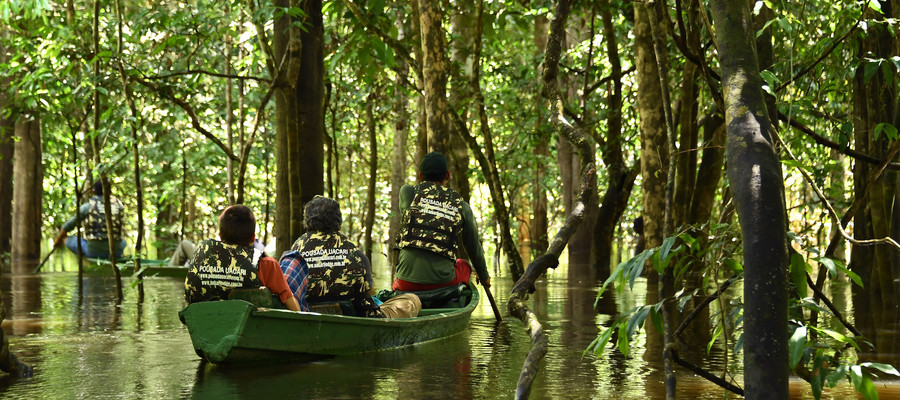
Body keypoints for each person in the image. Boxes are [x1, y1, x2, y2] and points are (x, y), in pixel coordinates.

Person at [281, 196, 420, 318]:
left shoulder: (292, 254)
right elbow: (369, 292)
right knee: (412, 299)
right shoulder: (356, 254)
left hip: (308, 320)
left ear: (307, 222)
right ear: (338, 222)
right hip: (359, 318)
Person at [392, 151, 491, 293]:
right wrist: (484, 276)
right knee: (464, 265)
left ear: (420, 176)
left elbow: (408, 215)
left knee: (402, 273)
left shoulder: (408, 193)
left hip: (405, 282)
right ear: (447, 176)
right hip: (443, 282)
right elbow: (473, 247)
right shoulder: (462, 206)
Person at [184, 204, 301, 311]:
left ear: (220, 237)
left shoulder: (201, 255)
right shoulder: (267, 264)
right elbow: (292, 308)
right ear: (252, 238)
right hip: (250, 326)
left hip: (203, 321)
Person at [53, 180, 126, 259]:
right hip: (116, 252)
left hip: (93, 251)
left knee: (68, 239)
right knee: (124, 242)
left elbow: (67, 226)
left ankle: (85, 259)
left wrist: (58, 240)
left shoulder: (88, 206)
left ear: (94, 192)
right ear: (110, 192)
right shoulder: (119, 206)